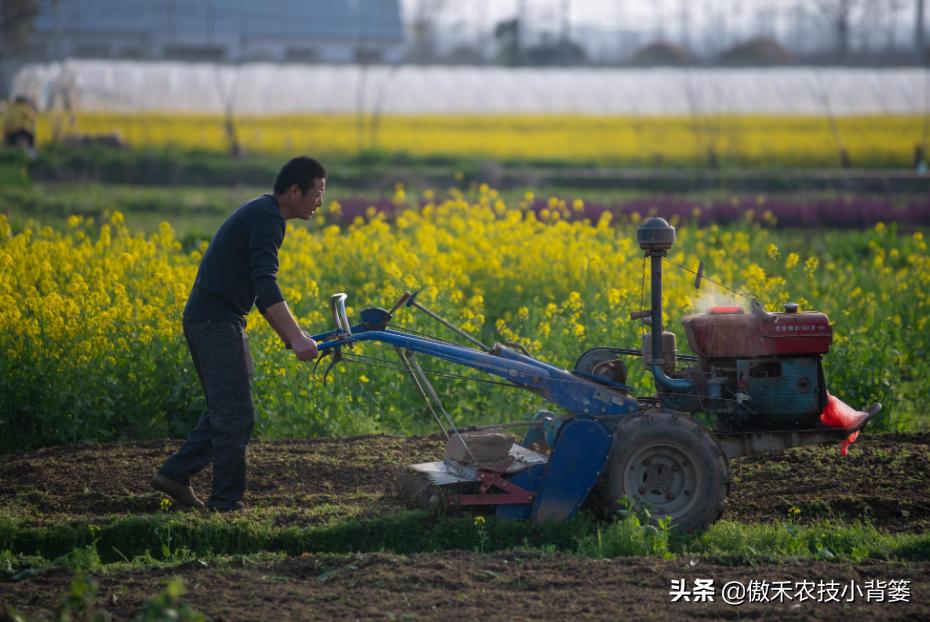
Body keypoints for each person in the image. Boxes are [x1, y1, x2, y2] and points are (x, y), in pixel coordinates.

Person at [152, 156, 325, 512]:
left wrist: (294, 334)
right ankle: (225, 504)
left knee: (227, 411)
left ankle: (175, 474)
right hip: (215, 322)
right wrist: (295, 338)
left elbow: (260, 292)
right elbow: (265, 284)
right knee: (235, 416)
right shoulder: (267, 218)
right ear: (295, 191)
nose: (320, 202)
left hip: (219, 320)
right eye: (317, 193)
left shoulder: (263, 213)